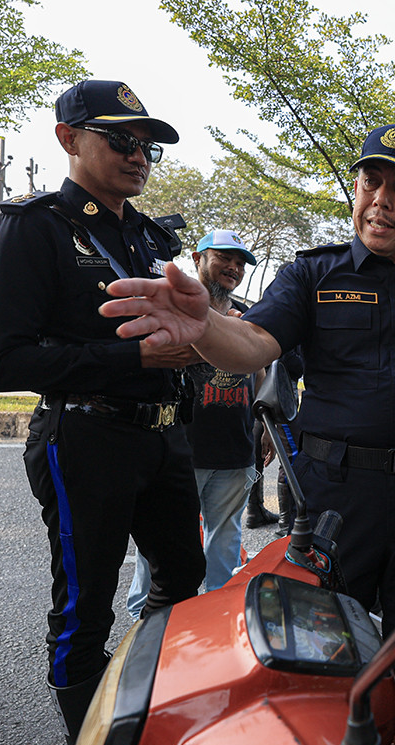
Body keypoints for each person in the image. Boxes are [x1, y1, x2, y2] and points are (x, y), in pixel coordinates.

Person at [98, 123, 395, 741]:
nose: (380, 200)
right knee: (315, 658)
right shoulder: (314, 275)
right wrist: (203, 325)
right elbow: (253, 343)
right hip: (335, 498)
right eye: (370, 182)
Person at [0, 79, 205, 745]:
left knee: (183, 577)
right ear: (68, 139)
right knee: (84, 611)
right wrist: (133, 363)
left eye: (148, 146)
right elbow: (0, 364)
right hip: (83, 436)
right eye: (121, 141)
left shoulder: (153, 238)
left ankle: (138, 708)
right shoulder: (30, 227)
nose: (139, 156)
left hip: (164, 437)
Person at [126, 230, 267, 618]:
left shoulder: (247, 319)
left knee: (225, 539)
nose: (234, 268)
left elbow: (262, 375)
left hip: (236, 451)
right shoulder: (171, 313)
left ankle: (218, 616)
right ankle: (146, 620)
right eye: (224, 258)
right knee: (161, 543)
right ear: (197, 258)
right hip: (180, 450)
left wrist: (264, 428)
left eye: (240, 263)